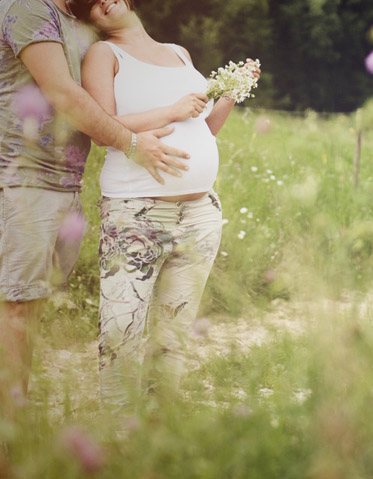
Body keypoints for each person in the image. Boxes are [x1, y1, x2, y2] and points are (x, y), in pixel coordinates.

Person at [0, 0, 192, 419]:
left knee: (27, 311)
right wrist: (133, 143)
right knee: (15, 310)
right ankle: (9, 452)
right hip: (20, 183)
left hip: (63, 184)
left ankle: (15, 433)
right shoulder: (29, 7)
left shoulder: (77, 21)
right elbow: (63, 94)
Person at [75, 0, 245, 412]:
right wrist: (169, 110)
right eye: (92, 6)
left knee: (173, 337)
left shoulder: (179, 54)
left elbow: (202, 130)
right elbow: (100, 124)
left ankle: (158, 436)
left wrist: (229, 96)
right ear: (91, 20)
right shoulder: (104, 54)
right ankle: (119, 439)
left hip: (200, 213)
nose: (104, 3)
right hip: (136, 211)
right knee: (121, 333)